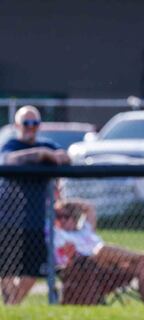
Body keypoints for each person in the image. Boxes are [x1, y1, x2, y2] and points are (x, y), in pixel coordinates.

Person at [1, 105, 70, 305]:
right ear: (17, 125)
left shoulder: (47, 143)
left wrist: (53, 155)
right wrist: (41, 154)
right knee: (4, 269)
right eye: (26, 123)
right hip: (6, 218)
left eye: (35, 123)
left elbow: (65, 157)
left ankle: (11, 307)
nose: (30, 127)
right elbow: (8, 161)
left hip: (34, 219)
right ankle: (11, 306)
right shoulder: (11, 144)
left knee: (32, 270)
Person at [54, 200, 144, 306]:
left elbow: (89, 207)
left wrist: (69, 203)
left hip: (109, 268)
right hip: (85, 267)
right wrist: (57, 208)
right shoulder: (58, 234)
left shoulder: (86, 230)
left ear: (75, 217)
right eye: (59, 217)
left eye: (66, 216)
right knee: (101, 250)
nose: (62, 220)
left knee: (142, 266)